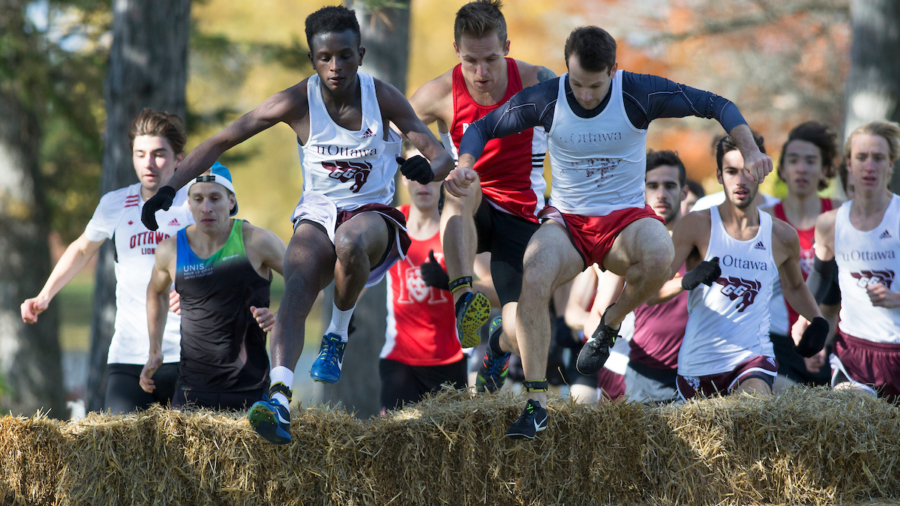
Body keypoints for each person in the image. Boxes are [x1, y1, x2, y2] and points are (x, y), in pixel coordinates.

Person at [140, 5, 453, 444]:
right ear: (312, 59)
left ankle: (337, 334)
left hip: (373, 216)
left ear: (360, 54)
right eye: (324, 57)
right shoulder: (296, 101)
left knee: (349, 242)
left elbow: (438, 152)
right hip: (318, 214)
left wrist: (429, 170)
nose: (335, 67)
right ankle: (280, 399)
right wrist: (169, 189)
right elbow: (222, 139)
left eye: (345, 56)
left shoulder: (381, 97)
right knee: (299, 272)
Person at [454, 26, 773, 439]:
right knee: (535, 270)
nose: (585, 95)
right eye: (577, 84)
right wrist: (465, 164)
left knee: (661, 253)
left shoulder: (637, 93)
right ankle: (536, 404)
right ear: (566, 69)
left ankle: (611, 321)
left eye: (595, 85)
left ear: (614, 70)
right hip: (568, 223)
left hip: (624, 221)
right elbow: (481, 129)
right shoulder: (548, 97)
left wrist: (749, 149)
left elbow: (716, 104)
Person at [408, 0, 557, 391]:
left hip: (521, 211)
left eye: (491, 58)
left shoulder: (538, 81)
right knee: (463, 181)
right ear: (456, 50)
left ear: (507, 46)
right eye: (471, 60)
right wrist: (414, 159)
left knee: (520, 323)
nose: (481, 72)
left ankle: (496, 346)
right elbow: (385, 131)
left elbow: (580, 130)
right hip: (468, 201)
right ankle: (463, 302)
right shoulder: (438, 93)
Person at [21, 109, 192, 414]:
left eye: (159, 154)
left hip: (186, 354)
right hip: (127, 356)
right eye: (140, 154)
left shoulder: (196, 202)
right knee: (122, 457)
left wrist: (197, 285)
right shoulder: (115, 203)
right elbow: (81, 249)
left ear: (179, 158)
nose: (148, 163)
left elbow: (228, 253)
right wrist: (44, 295)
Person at [657, 134, 828, 401]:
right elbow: (651, 292)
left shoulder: (781, 235)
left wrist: (817, 320)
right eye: (731, 171)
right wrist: (686, 280)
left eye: (748, 171)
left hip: (753, 358)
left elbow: (794, 286)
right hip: (699, 362)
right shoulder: (695, 225)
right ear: (718, 175)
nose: (740, 181)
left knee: (754, 409)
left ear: (760, 173)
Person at [140, 164, 285, 410]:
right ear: (189, 203)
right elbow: (156, 292)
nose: (206, 208)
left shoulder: (256, 241)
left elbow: (309, 287)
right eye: (198, 199)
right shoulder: (171, 250)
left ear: (231, 201)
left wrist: (280, 316)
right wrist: (155, 348)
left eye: (215, 198)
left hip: (249, 390)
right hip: (191, 391)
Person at [801, 120, 900, 402]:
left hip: (896, 348)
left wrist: (897, 298)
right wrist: (805, 320)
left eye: (878, 158)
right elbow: (818, 279)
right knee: (853, 424)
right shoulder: (830, 223)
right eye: (861, 157)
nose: (869, 166)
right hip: (853, 353)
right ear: (848, 163)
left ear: (891, 164)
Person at [762, 122, 840, 391]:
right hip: (781, 342)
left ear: (825, 169)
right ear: (782, 169)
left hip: (835, 339)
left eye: (810, 161)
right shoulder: (765, 219)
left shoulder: (842, 215)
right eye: (793, 160)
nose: (801, 168)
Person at [380, 178, 467, 411]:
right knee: (396, 440)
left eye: (431, 174)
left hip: (452, 360)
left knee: (452, 445)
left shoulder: (456, 227)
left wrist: (452, 283)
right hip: (399, 361)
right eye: (414, 175)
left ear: (443, 178)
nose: (423, 183)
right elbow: (359, 266)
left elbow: (495, 291)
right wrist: (345, 315)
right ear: (403, 180)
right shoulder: (390, 222)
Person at [624, 150, 691, 404]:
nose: (661, 194)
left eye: (670, 186)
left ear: (684, 192)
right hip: (644, 371)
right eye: (652, 186)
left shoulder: (703, 242)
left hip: (695, 371)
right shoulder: (630, 244)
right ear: (642, 190)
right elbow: (600, 307)